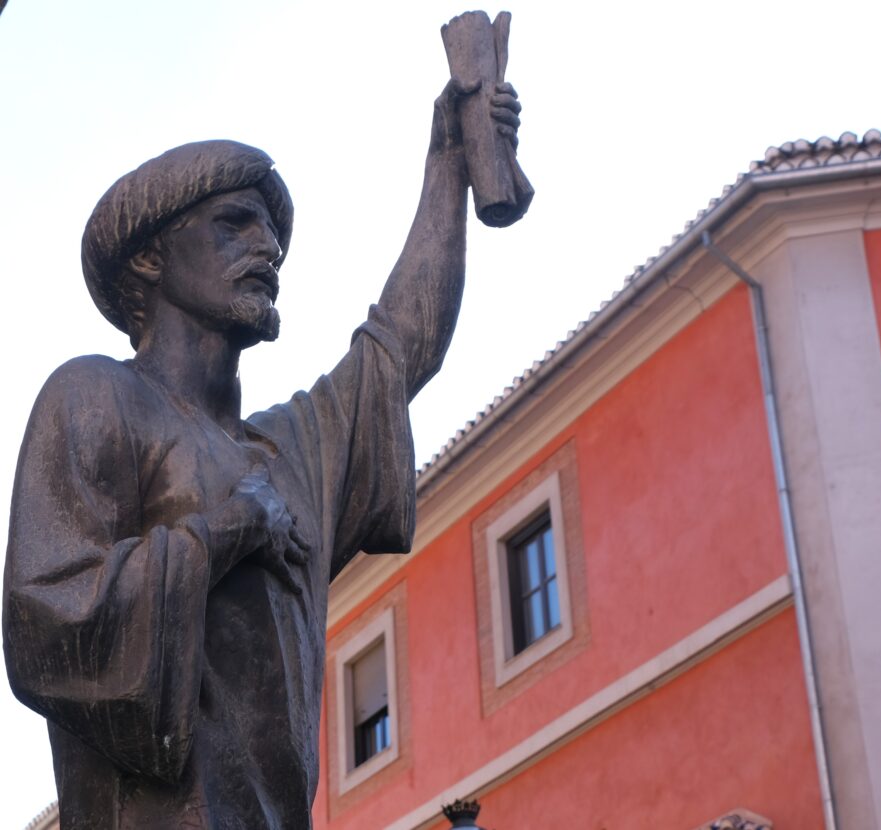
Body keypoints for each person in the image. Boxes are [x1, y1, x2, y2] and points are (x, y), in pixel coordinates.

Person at [3, 81, 522, 829]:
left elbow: (399, 351)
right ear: (150, 257)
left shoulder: (288, 454)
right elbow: (43, 620)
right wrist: (223, 533)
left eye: (272, 233)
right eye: (234, 225)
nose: (268, 248)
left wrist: (448, 166)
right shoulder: (95, 396)